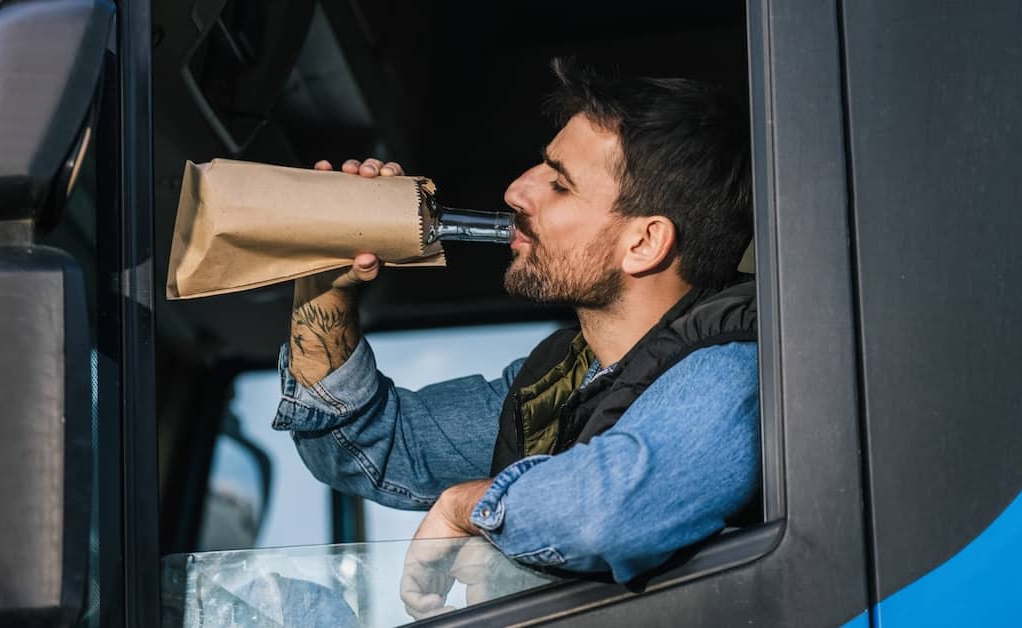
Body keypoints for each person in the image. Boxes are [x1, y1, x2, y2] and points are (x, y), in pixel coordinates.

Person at [274, 59, 759, 618]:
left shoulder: (731, 365)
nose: (515, 191)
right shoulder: (559, 379)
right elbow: (366, 449)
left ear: (644, 243)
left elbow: (613, 512)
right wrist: (323, 287)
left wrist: (465, 506)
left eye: (559, 183)